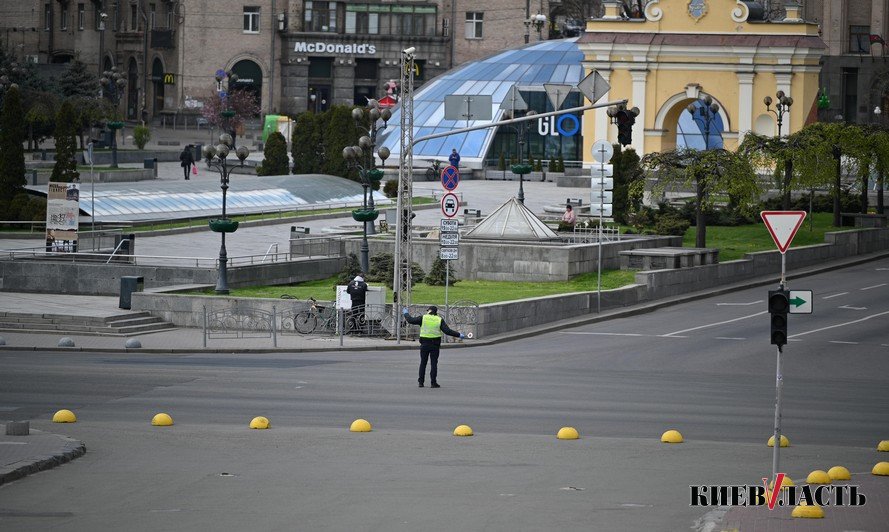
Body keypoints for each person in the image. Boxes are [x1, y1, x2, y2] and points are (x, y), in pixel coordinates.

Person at [402, 305, 464, 388]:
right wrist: (459, 334)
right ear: (436, 312)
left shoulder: (423, 318)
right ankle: (433, 383)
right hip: (435, 345)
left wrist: (405, 313)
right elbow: (447, 331)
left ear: (428, 311)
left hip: (424, 344)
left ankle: (421, 382)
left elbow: (410, 320)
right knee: (434, 364)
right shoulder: (439, 320)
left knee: (423, 363)